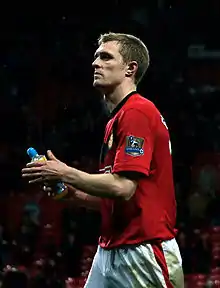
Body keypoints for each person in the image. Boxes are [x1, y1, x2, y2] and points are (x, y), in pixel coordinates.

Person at [22, 32, 184, 287]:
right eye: (96, 57)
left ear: (131, 68)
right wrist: (70, 194)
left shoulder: (137, 112)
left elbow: (123, 188)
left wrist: (64, 172)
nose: (95, 63)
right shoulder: (117, 119)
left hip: (143, 252)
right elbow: (115, 199)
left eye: (106, 57)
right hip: (110, 249)